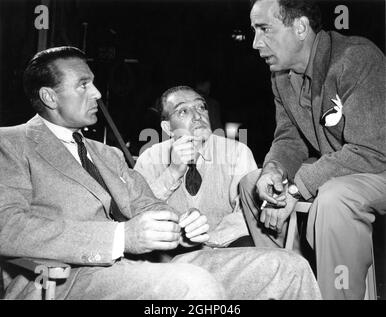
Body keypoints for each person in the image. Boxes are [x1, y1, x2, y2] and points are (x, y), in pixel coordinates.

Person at [0, 46, 321, 300]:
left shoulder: (106, 154)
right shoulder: (11, 143)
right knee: (191, 286)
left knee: (288, 267)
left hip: (147, 264)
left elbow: (146, 205)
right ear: (50, 96)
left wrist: (180, 226)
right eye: (84, 84)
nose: (97, 93)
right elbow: (7, 227)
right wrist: (121, 238)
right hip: (64, 278)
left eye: (94, 83)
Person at [240, 0, 386, 300]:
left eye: (265, 29)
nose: (256, 43)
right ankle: (290, 289)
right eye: (254, 31)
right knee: (250, 184)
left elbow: (371, 150)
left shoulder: (356, 58)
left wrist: (296, 190)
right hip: (343, 167)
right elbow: (289, 138)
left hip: (377, 164)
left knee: (335, 200)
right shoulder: (281, 76)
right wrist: (274, 171)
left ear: (301, 27)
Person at [135, 86, 257, 248]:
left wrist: (207, 242)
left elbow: (247, 214)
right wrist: (172, 173)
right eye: (183, 111)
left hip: (224, 248)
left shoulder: (237, 153)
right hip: (170, 253)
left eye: (201, 107)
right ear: (167, 128)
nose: (198, 116)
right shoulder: (149, 158)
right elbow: (137, 215)